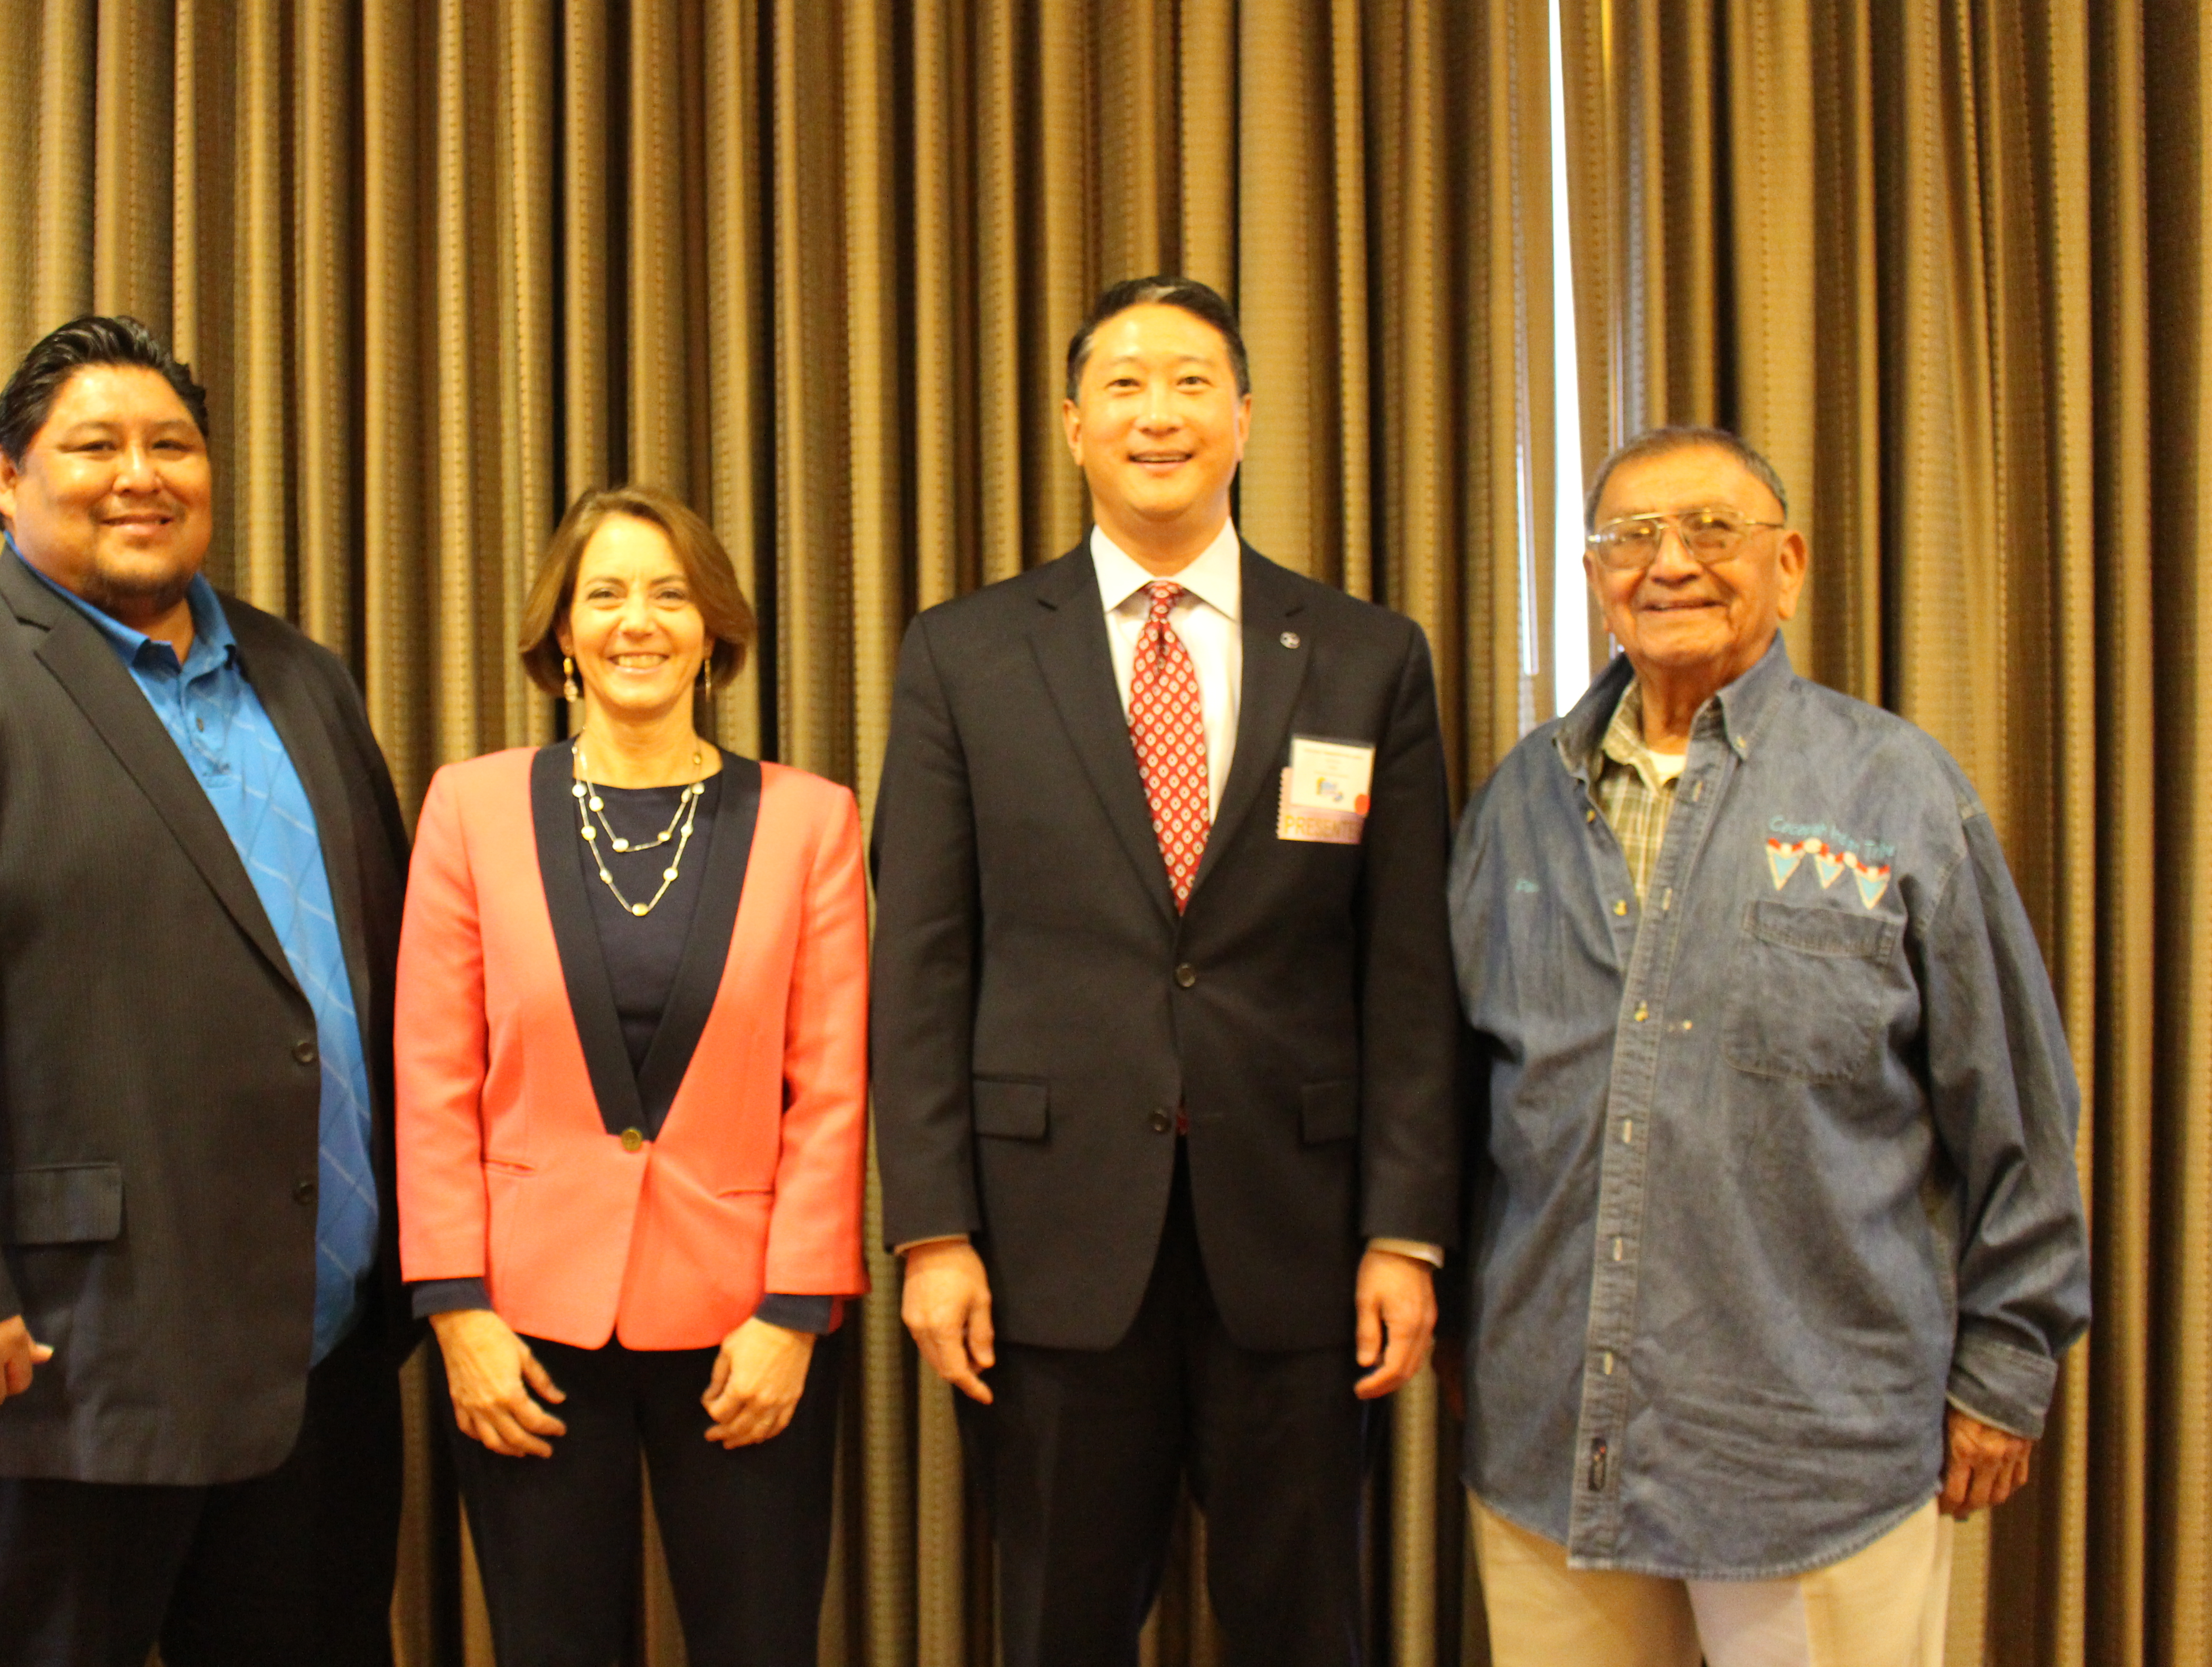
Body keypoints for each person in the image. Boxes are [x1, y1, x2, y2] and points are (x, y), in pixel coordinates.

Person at [0, 316, 412, 1666]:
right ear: (4, 476)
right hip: (46, 1376)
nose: (141, 474)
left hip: (319, 1370)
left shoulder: (306, 679)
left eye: (173, 443)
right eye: (94, 445)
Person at [870, 276, 1463, 1664]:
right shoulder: (964, 653)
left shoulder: (1369, 658)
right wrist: (934, 1230)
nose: (1160, 413)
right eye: (1125, 385)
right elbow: (922, 961)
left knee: (1306, 1627)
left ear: (1245, 419)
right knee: (1059, 1627)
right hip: (1044, 1242)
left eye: (1193, 382)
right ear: (1074, 425)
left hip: (1304, 1241)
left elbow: (1410, 971)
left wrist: (1404, 1230)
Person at [1451, 425, 2089, 1665]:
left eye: (1712, 531)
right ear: (1594, 578)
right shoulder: (1514, 802)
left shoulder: (1899, 790)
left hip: (1819, 1457)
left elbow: (2020, 1106)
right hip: (1552, 1448)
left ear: (1788, 565)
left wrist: (2006, 1369)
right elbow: (1455, 1096)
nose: (1670, 562)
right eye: (1632, 537)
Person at [396, 486, 868, 1665]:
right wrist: (457, 1312)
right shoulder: (472, 807)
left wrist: (795, 1314)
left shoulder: (811, 820)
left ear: (713, 629)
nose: (636, 621)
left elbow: (833, 1089)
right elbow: (432, 1075)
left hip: (748, 1324)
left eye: (668, 593)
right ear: (562, 632)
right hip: (524, 1330)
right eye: (603, 594)